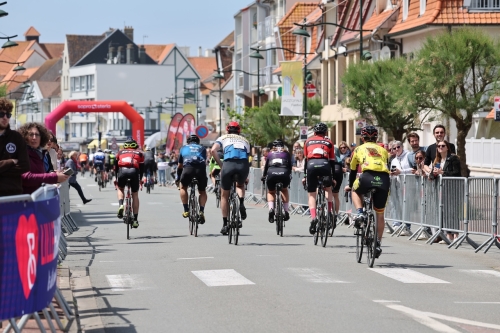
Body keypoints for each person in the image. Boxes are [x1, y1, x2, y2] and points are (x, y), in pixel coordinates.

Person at [344, 126, 390, 259]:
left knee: (354, 190)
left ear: (362, 138)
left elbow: (353, 171)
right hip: (383, 179)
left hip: (367, 177)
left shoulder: (358, 149)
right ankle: (378, 243)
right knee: (380, 214)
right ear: (376, 138)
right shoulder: (383, 150)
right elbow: (387, 165)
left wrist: (350, 185)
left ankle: (360, 213)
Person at [211, 121, 250, 235]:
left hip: (228, 164)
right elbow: (247, 157)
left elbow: (213, 150)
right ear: (239, 131)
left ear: (228, 130)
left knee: (224, 195)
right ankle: (241, 203)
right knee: (240, 184)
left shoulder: (223, 137)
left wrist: (221, 165)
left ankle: (225, 224)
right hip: (243, 165)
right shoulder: (245, 140)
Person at [302, 122, 336, 235]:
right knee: (328, 188)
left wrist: (305, 176)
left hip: (311, 165)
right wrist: (332, 178)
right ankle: (329, 211)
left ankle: (313, 218)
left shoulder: (307, 141)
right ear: (325, 132)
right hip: (325, 164)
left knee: (312, 194)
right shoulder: (329, 142)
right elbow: (332, 161)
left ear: (315, 132)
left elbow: (306, 161)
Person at [19, 122, 70, 194]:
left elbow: (39, 174)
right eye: (31, 134)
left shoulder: (39, 153)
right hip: (26, 200)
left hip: (38, 197)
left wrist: (55, 173)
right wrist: (54, 177)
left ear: (41, 137)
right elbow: (26, 178)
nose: (34, 137)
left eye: (37, 135)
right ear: (25, 137)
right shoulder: (21, 153)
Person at [432, 140, 461, 242]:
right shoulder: (438, 160)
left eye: (443, 146)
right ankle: (448, 235)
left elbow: (457, 173)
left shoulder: (453, 158)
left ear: (447, 147)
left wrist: (443, 172)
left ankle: (456, 234)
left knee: (453, 212)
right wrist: (433, 174)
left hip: (452, 188)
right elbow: (432, 175)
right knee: (446, 212)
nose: (440, 147)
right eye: (438, 146)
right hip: (442, 189)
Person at [0, 98, 30, 197]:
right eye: (1, 114)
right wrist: (11, 162)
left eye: (8, 115)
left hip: (13, 193)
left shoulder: (16, 137)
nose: (5, 118)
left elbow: (25, 166)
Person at [177, 134, 208, 223]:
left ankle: (186, 210)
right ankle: (201, 211)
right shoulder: (202, 148)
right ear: (198, 142)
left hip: (188, 169)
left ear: (188, 142)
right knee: (202, 191)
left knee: (183, 187)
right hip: (200, 170)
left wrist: (178, 177)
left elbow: (180, 165)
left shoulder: (183, 148)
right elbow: (204, 161)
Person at [115, 139, 144, 228]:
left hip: (122, 171)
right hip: (134, 171)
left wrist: (116, 178)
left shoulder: (120, 152)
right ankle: (135, 220)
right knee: (135, 194)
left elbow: (116, 168)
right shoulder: (139, 153)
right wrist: (140, 179)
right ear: (135, 146)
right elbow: (142, 169)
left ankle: (121, 205)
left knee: (120, 188)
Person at [262, 139, 292, 223]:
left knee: (271, 192)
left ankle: (271, 209)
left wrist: (264, 176)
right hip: (284, 173)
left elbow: (266, 167)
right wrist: (290, 175)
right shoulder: (286, 153)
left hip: (272, 173)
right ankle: (286, 211)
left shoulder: (270, 153)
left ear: (273, 146)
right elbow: (289, 166)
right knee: (284, 189)